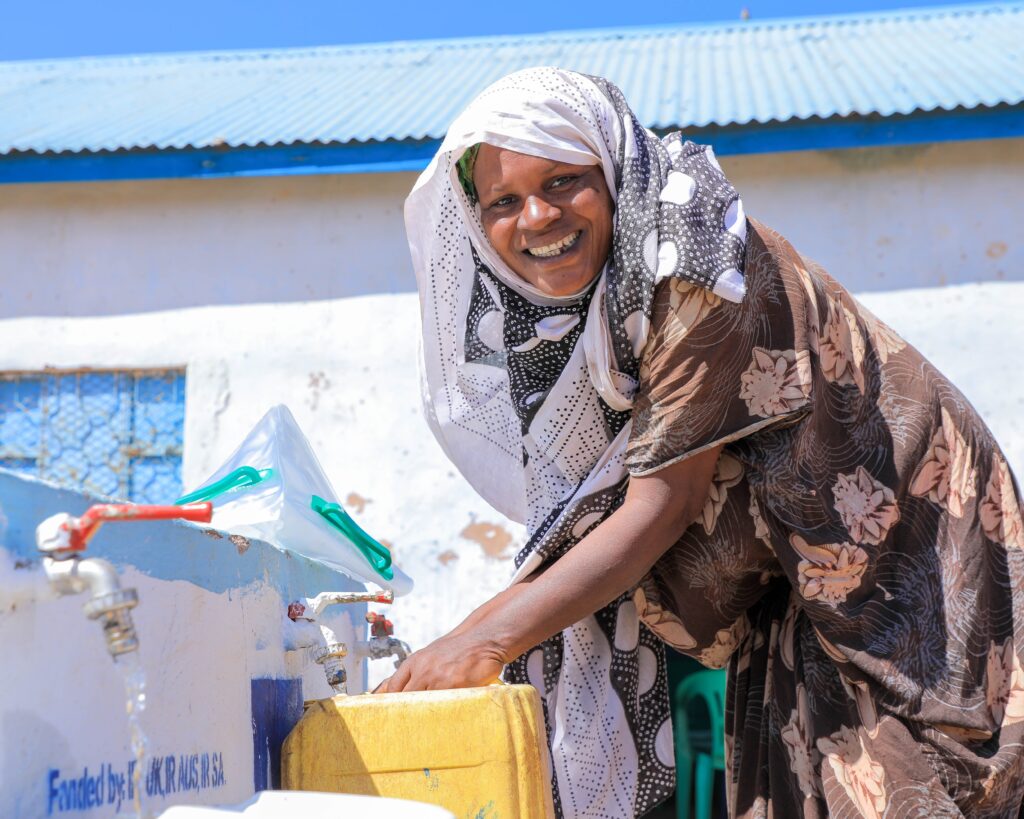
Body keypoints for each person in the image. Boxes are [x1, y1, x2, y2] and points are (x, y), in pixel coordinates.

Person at [383, 67, 1024, 819]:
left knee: (912, 775)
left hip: (905, 548)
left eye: (562, 181)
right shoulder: (581, 317)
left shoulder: (691, 261)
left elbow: (661, 504)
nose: (536, 217)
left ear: (611, 172)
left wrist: (486, 643)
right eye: (503, 201)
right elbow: (579, 522)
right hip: (798, 578)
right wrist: (451, 647)